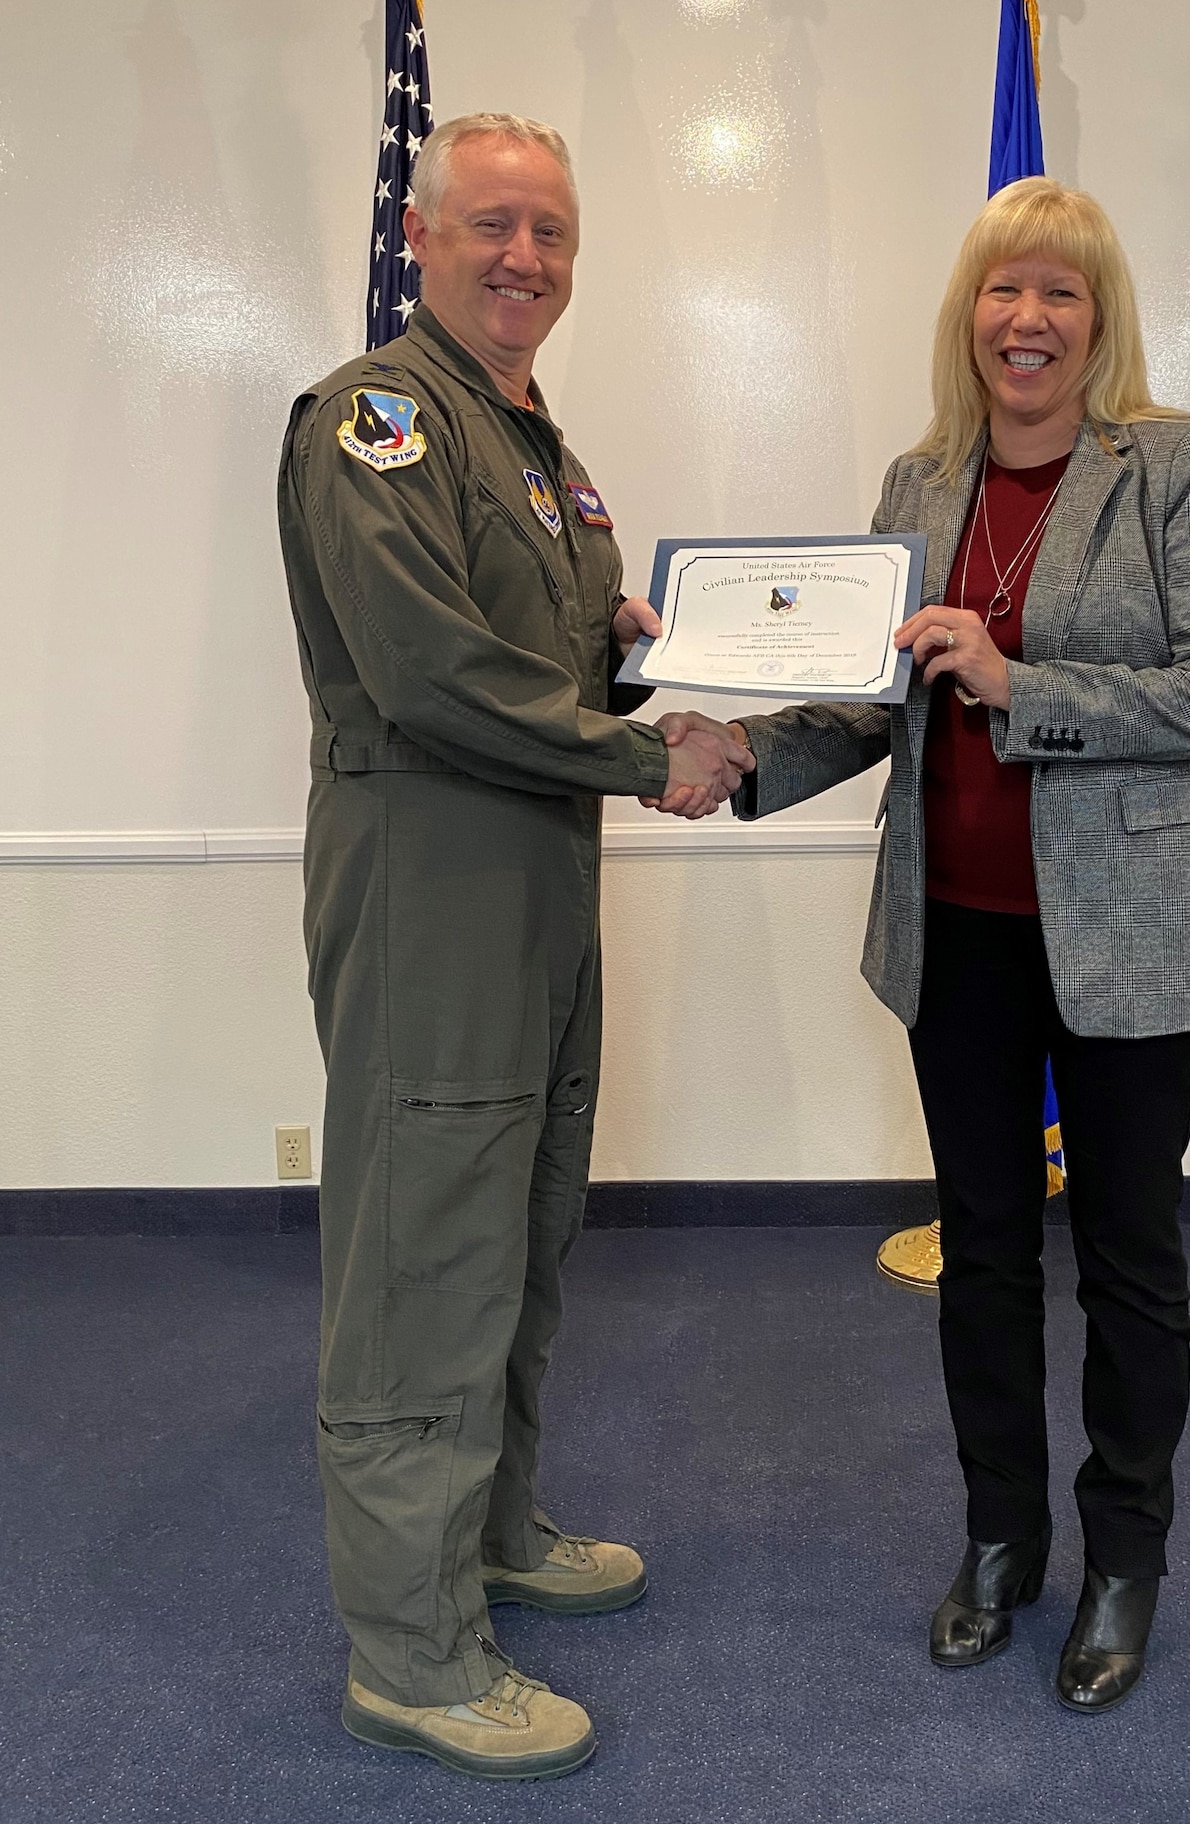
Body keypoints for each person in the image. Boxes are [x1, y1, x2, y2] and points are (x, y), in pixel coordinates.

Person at [660, 176, 1190, 1714]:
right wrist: (736, 754)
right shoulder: (918, 480)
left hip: (1136, 936)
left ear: (1100, 320)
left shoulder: (1175, 466)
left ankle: (1123, 1560)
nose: (1029, 321)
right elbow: (871, 701)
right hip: (960, 940)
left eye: (1061, 295)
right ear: (970, 318)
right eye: (1005, 293)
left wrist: (1024, 683)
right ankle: (1001, 1542)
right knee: (987, 1254)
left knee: (1133, 1263)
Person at [277, 112, 752, 1781]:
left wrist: (644, 656)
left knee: (521, 1219)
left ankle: (483, 1532)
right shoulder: (382, 419)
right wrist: (650, 749)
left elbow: (541, 658)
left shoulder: (540, 443)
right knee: (425, 1254)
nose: (524, 258)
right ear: (424, 235)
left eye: (551, 232)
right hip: (433, 893)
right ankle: (409, 1654)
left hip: (542, 886)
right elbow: (431, 675)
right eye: (492, 224)